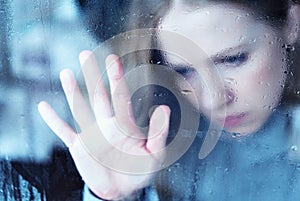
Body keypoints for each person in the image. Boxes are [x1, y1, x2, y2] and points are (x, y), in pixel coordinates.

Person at [38, 0, 300, 200]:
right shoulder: (162, 138)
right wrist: (110, 195)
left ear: (292, 22)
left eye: (232, 59)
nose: (213, 100)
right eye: (184, 71)